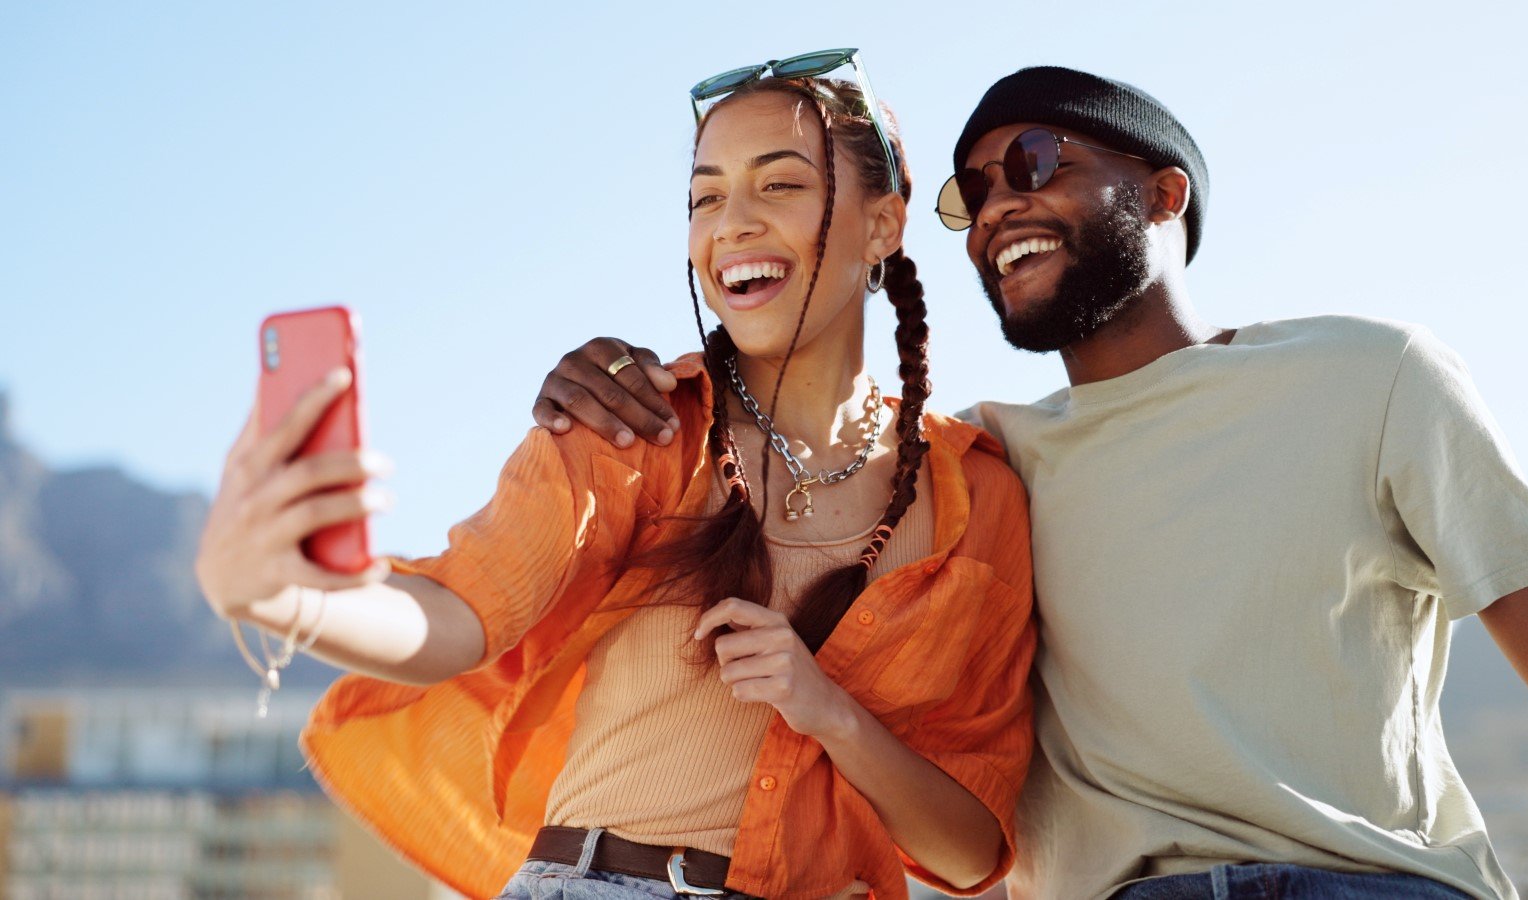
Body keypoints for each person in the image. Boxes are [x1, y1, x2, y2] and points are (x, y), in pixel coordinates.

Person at [530, 66, 1528, 899]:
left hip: (1373, 883)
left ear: (1162, 193)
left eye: (1036, 164)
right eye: (971, 193)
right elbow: (793, 434)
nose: (998, 208)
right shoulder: (979, 466)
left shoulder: (1372, 374)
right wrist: (609, 372)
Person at [195, 52, 1037, 899]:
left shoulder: (978, 500)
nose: (731, 224)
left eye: (779, 185)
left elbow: (970, 852)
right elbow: (457, 616)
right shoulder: (631, 428)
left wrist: (830, 713)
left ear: (883, 225)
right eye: (704, 198)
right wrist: (286, 595)